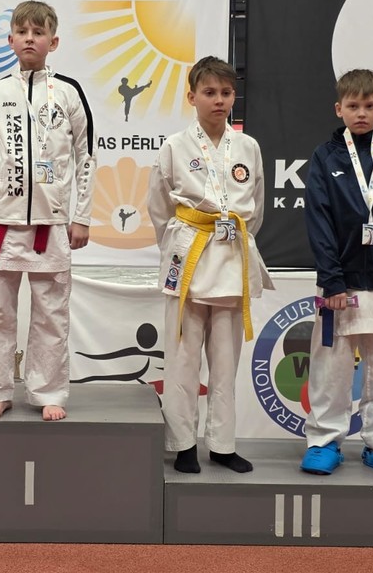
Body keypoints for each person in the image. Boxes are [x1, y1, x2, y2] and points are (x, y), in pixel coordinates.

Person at [0, 0, 95, 422]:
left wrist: (81, 216)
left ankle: (48, 391)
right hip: (1, 224)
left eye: (38, 33)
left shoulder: (69, 92)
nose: (29, 39)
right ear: (10, 40)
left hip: (51, 223)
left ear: (53, 42)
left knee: (51, 314)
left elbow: (86, 156)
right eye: (22, 32)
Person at [147, 56, 274, 474]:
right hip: (189, 253)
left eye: (226, 92)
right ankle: (183, 443)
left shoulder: (248, 147)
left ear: (234, 96)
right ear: (192, 97)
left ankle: (222, 444)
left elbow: (256, 209)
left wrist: (231, 234)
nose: (219, 100)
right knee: (183, 359)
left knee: (225, 360)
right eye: (209, 92)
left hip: (231, 257)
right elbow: (158, 206)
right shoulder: (174, 146)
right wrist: (179, 241)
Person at [301, 68, 373, 476]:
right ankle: (323, 440)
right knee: (331, 365)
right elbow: (318, 220)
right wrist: (331, 279)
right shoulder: (325, 158)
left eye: (369, 105)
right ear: (339, 109)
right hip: (340, 283)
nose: (361, 113)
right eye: (353, 106)